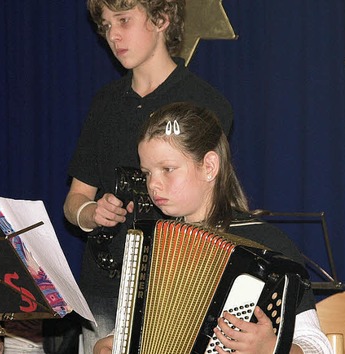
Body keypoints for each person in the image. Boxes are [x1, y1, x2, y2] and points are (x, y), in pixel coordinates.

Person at [92, 102, 332, 354]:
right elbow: (139, 326)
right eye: (147, 173)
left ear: (209, 166)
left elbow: (318, 347)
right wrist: (109, 343)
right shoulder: (154, 243)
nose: (154, 185)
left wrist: (272, 348)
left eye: (167, 169)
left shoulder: (267, 244)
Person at [63, 0, 233, 351]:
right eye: (106, 26)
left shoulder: (206, 103)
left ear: (161, 19)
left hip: (172, 290)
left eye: (124, 20)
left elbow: (211, 211)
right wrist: (90, 213)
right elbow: (74, 200)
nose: (113, 35)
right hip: (104, 288)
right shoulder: (105, 103)